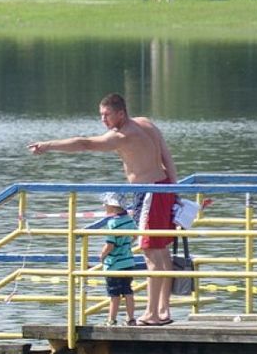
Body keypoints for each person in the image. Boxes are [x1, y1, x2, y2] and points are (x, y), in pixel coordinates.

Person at [27, 93, 179, 325]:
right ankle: (162, 310)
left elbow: (84, 143)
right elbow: (167, 158)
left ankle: (152, 314)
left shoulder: (122, 135)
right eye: (101, 115)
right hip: (164, 187)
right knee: (162, 251)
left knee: (151, 252)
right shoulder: (146, 123)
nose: (103, 120)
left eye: (107, 115)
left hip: (149, 192)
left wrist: (48, 146)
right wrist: (173, 191)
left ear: (121, 113)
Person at [99, 191, 137, 326]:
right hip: (128, 261)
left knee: (114, 294)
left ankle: (112, 319)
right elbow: (135, 236)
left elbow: (110, 245)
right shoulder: (129, 220)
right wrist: (126, 245)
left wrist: (102, 255)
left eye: (105, 204)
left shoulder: (112, 223)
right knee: (128, 291)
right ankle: (131, 318)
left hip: (114, 263)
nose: (104, 206)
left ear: (112, 206)